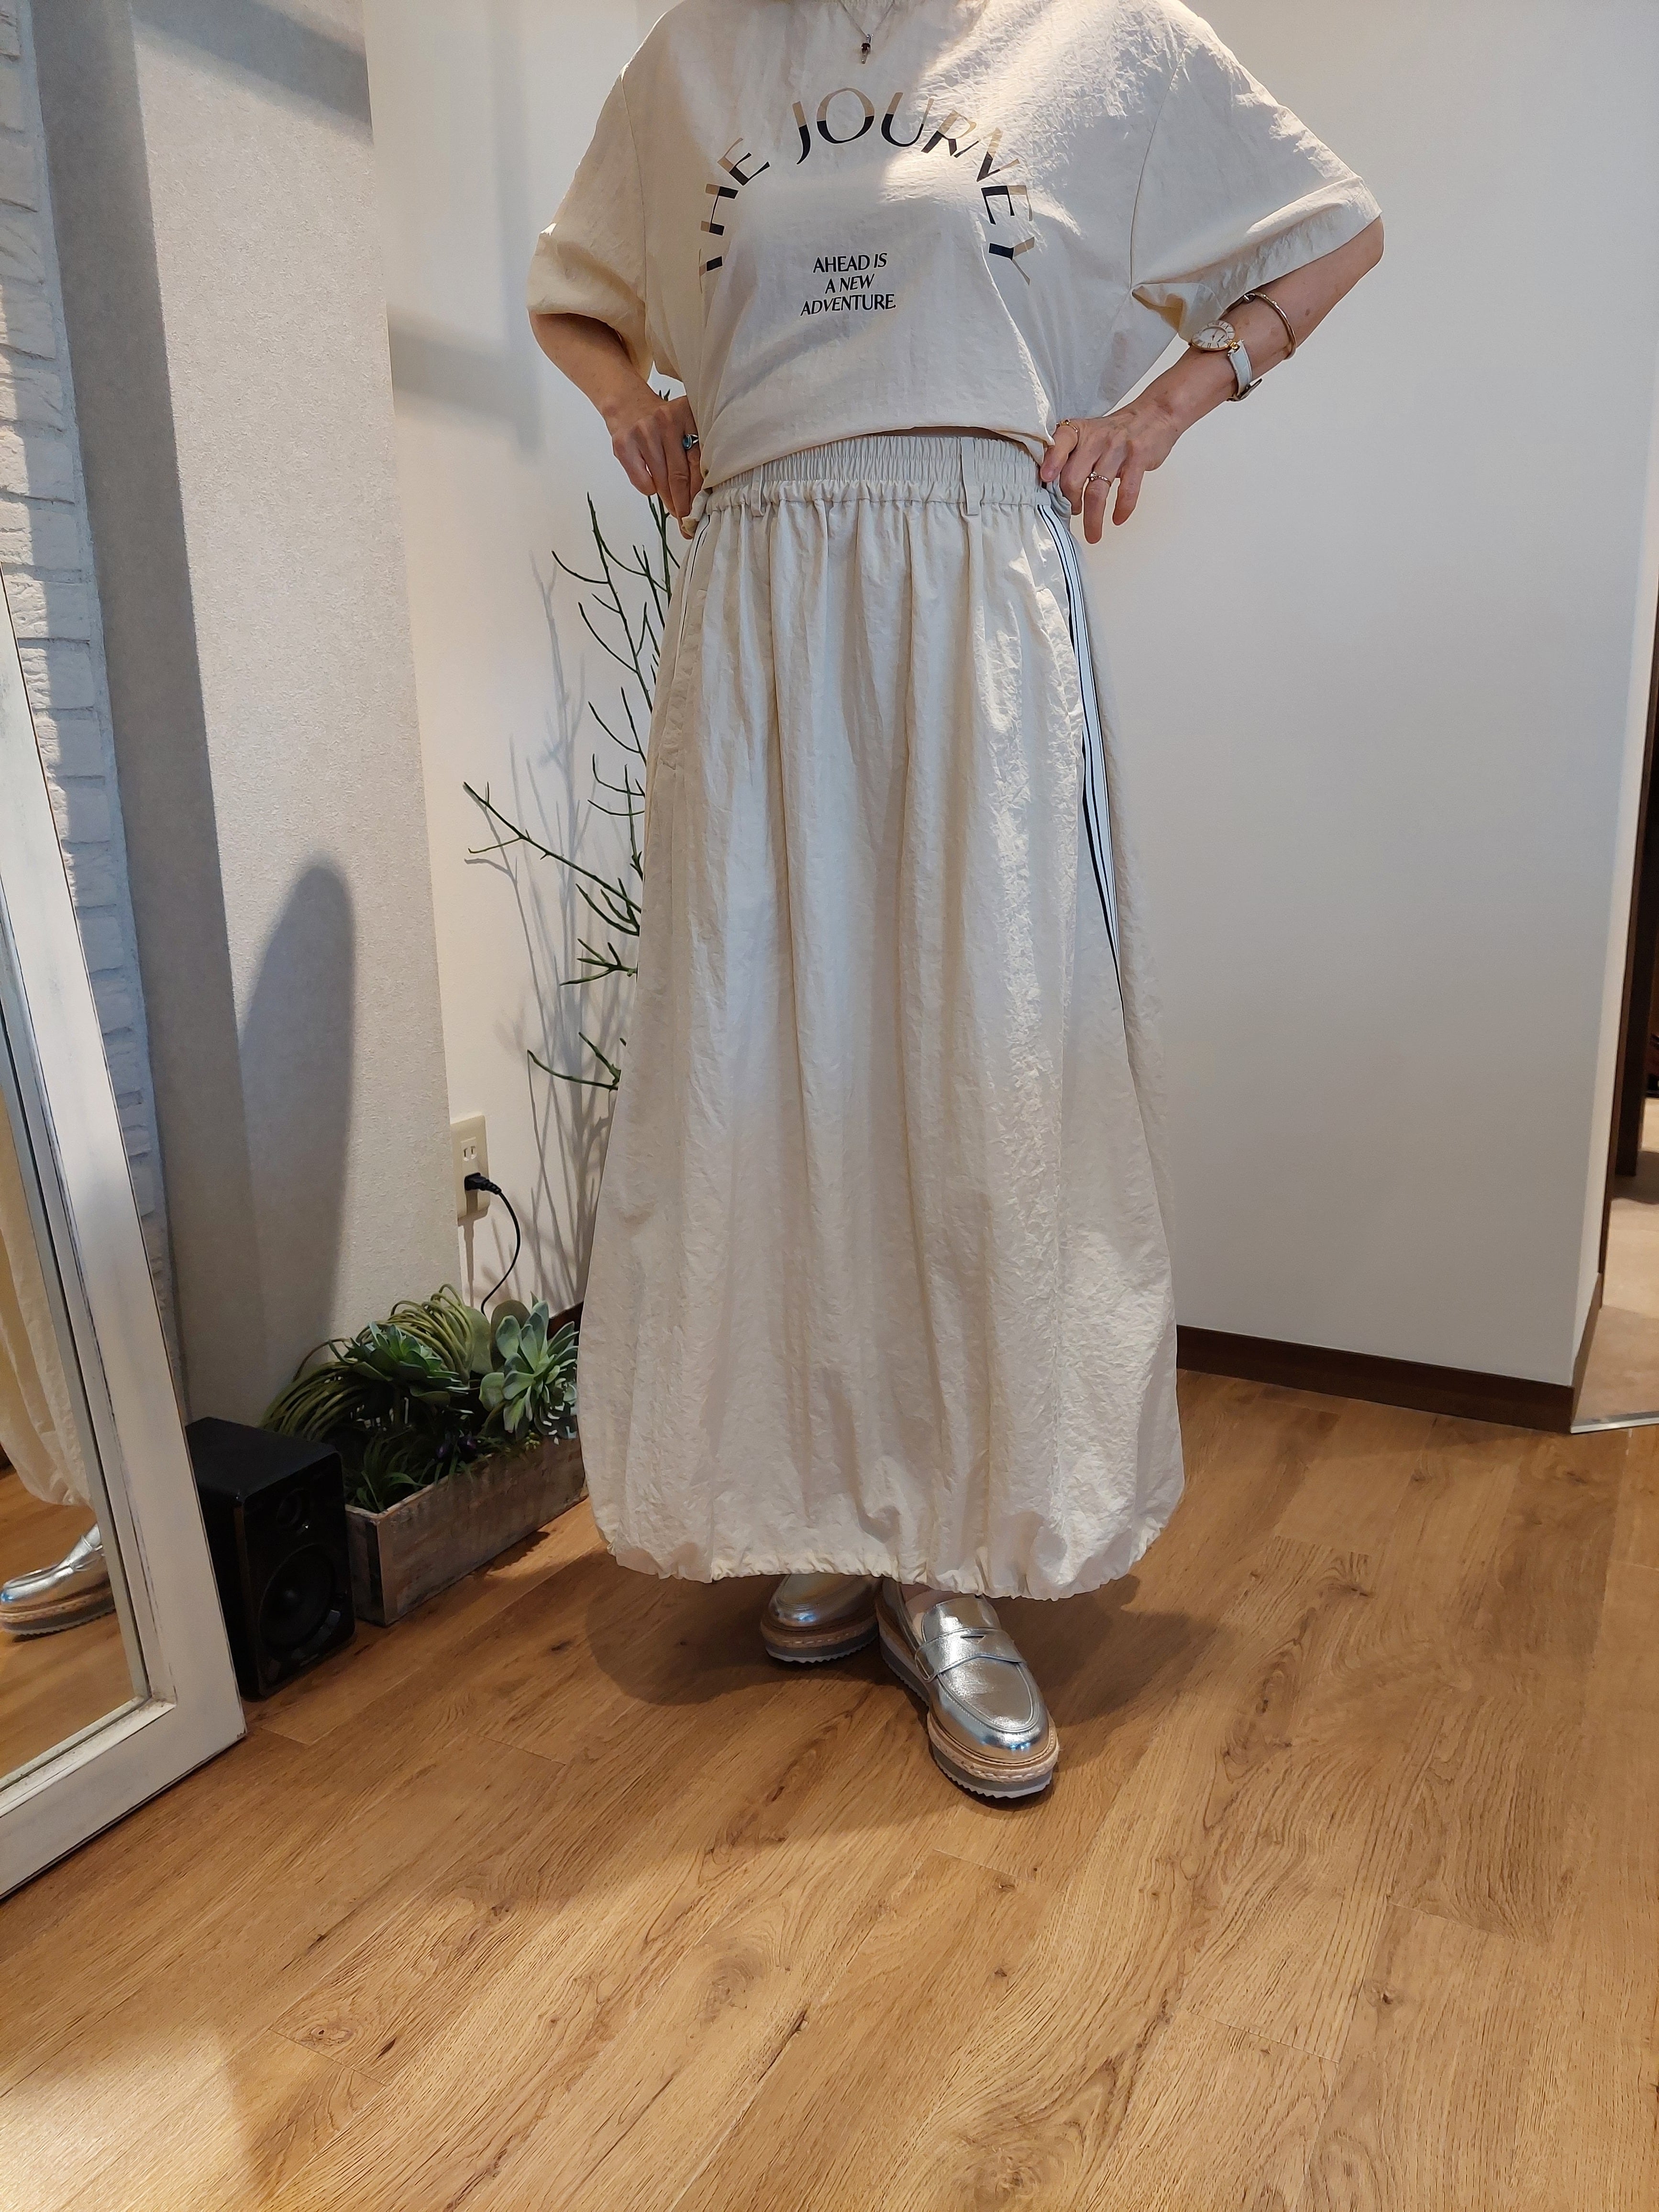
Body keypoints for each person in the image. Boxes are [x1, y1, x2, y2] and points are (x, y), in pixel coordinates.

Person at [528, 0, 1381, 1799]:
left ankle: (955, 1550)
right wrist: (633, 407)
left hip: (970, 591)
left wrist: (1161, 410)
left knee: (979, 1059)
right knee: (772, 1064)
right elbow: (577, 286)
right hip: (761, 592)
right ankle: (826, 1495)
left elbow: (1329, 229)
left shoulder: (1088, 39)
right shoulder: (701, 54)